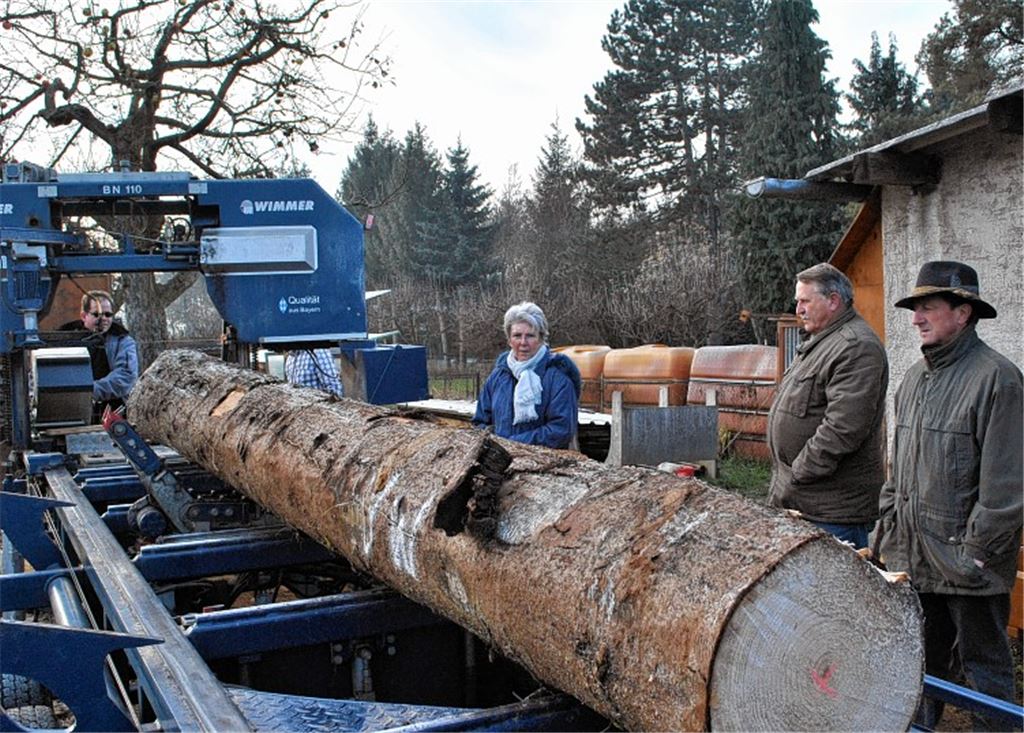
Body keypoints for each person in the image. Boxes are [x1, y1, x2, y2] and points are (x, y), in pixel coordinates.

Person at [870, 260, 1022, 730]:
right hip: (914, 559)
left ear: (964, 313)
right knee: (919, 666)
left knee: (985, 674)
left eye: (929, 307)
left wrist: (976, 555)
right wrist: (886, 531)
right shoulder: (913, 380)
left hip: (967, 566)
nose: (916, 317)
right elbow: (898, 472)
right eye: (915, 308)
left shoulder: (998, 380)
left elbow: (1007, 485)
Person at [767, 263, 888, 549]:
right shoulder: (821, 343)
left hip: (831, 512)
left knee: (829, 593)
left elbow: (842, 429)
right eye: (798, 301)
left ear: (833, 301)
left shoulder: (855, 346)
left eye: (805, 301)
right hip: (805, 505)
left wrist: (795, 476)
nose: (798, 309)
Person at [472, 302, 580, 449]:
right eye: (517, 336)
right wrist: (493, 445)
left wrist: (512, 444)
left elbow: (561, 430)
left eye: (530, 336)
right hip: (498, 462)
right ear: (509, 340)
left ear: (541, 339)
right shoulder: (498, 376)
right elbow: (480, 421)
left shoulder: (558, 379)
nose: (523, 343)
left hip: (543, 465)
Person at [60, 290, 139, 419]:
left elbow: (126, 377)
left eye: (108, 315)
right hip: (75, 412)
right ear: (84, 316)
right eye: (96, 314)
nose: (103, 320)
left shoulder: (123, 341)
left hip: (116, 412)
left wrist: (90, 391)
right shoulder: (65, 341)